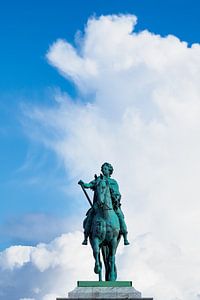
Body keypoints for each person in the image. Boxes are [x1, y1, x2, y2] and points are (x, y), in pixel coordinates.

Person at [78, 162, 130, 246]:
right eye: (102, 169)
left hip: (112, 205)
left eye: (105, 169)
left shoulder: (113, 182)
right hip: (98, 205)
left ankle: (125, 236)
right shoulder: (98, 179)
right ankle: (86, 237)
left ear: (109, 171)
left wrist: (116, 198)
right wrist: (83, 184)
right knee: (90, 215)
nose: (103, 170)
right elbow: (90, 184)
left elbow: (117, 193)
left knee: (120, 215)